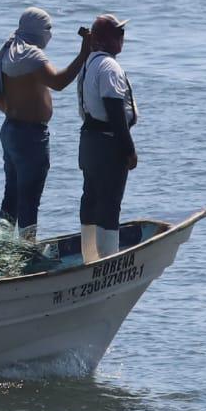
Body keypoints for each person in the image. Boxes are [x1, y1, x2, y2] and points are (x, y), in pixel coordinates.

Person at [0, 6, 91, 239]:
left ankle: (0, 248)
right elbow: (59, 81)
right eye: (48, 29)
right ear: (37, 29)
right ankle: (28, 252)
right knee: (30, 197)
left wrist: (12, 111)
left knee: (11, 194)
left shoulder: (6, 51)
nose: (50, 34)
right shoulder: (31, 55)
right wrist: (84, 53)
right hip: (31, 135)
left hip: (11, 130)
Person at [77, 14, 138, 263]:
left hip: (89, 141)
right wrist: (129, 150)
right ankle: (108, 260)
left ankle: (89, 257)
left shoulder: (89, 63)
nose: (123, 38)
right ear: (107, 39)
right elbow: (114, 111)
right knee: (110, 202)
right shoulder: (109, 67)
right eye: (119, 33)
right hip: (107, 141)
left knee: (91, 197)